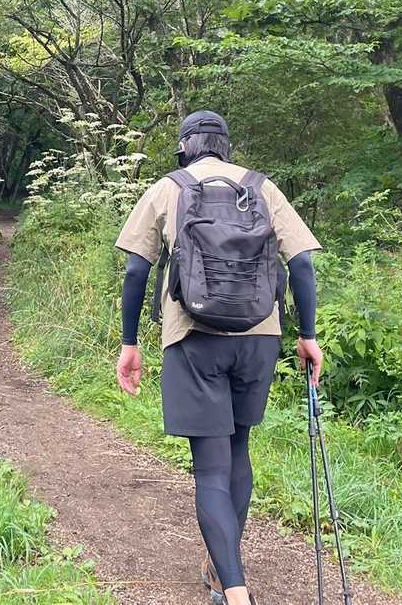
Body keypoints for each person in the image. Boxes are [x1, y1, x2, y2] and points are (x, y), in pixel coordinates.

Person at [115, 111, 323, 605]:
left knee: (210, 469)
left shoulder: (169, 188)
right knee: (238, 451)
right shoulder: (261, 187)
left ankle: (234, 590)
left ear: (184, 147)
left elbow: (136, 271)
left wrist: (130, 343)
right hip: (259, 337)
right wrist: (307, 336)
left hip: (193, 337)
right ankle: (221, 567)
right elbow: (302, 263)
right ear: (227, 147)